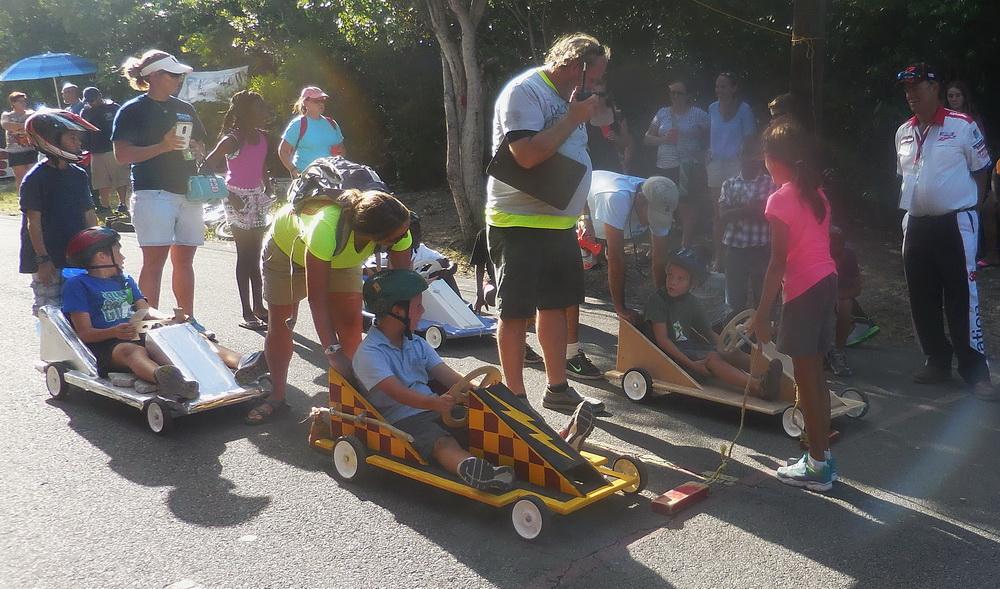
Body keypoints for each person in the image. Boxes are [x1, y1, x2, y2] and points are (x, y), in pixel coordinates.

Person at [353, 269, 595, 489]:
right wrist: (435, 403)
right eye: (418, 306)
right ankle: (473, 469)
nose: (423, 311)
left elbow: (447, 376)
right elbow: (397, 393)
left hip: (436, 408)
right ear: (397, 311)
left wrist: (481, 394)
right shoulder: (369, 353)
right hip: (403, 422)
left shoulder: (415, 342)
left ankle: (561, 445)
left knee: (493, 422)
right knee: (441, 443)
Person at [485, 32, 609, 412]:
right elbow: (525, 156)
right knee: (515, 310)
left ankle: (558, 388)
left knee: (555, 306)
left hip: (559, 222)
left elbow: (576, 153)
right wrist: (573, 117)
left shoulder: (575, 99)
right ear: (576, 66)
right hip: (517, 220)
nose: (598, 85)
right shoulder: (525, 91)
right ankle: (514, 398)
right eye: (595, 76)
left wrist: (583, 214)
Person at [251, 186, 413, 424]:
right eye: (396, 237)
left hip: (341, 256)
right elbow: (318, 300)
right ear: (373, 234)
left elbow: (404, 287)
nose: (403, 239)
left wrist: (403, 335)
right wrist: (332, 351)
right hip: (288, 251)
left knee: (350, 324)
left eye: (404, 234)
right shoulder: (326, 228)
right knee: (283, 323)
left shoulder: (398, 230)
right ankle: (277, 395)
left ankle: (354, 398)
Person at [61, 227, 268, 399]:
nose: (123, 256)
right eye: (118, 251)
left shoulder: (124, 280)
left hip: (137, 333)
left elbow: (145, 310)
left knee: (194, 338)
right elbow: (85, 333)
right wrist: (114, 331)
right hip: (108, 344)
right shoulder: (78, 285)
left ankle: (244, 363)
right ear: (101, 256)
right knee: (132, 351)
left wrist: (169, 319)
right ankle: (168, 380)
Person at [893, 63, 994, 401]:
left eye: (917, 88)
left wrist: (972, 209)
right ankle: (936, 359)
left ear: (935, 89)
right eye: (907, 90)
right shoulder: (902, 133)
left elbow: (982, 172)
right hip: (917, 223)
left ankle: (975, 370)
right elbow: (905, 177)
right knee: (920, 294)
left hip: (956, 222)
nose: (911, 95)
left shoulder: (963, 126)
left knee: (961, 296)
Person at [751, 120, 838, 491]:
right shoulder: (816, 193)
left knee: (806, 380)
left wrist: (760, 314)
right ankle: (821, 457)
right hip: (826, 283)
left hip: (804, 292)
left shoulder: (780, 198)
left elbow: (777, 262)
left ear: (772, 159)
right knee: (815, 378)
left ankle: (818, 465)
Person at [112, 50, 208, 323]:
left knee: (185, 260)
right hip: (152, 192)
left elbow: (201, 144)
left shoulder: (185, 108)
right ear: (153, 76)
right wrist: (163, 146)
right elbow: (123, 155)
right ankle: (146, 322)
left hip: (189, 191)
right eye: (173, 74)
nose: (179, 79)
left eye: (179, 74)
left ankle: (187, 318)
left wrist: (196, 148)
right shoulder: (132, 110)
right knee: (154, 263)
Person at [645, 249, 782, 399]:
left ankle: (769, 374)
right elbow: (662, 341)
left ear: (692, 284)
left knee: (728, 352)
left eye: (680, 278)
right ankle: (758, 387)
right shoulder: (658, 301)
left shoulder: (692, 302)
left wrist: (726, 347)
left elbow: (708, 332)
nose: (672, 282)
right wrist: (693, 365)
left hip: (689, 348)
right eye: (670, 275)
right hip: (668, 357)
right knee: (712, 358)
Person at [202, 90, 273, 332]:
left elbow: (261, 164)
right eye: (260, 107)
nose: (264, 112)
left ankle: (259, 307)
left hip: (257, 196)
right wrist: (229, 195)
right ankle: (247, 311)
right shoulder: (232, 140)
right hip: (236, 197)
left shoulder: (262, 137)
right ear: (247, 112)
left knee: (257, 255)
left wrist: (269, 186)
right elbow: (206, 166)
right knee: (245, 256)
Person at [18, 110, 100, 316]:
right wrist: (43, 260)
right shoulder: (35, 178)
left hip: (76, 255)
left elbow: (88, 213)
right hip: (48, 258)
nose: (78, 142)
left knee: (82, 310)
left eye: (78, 138)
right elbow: (33, 223)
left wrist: (99, 246)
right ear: (50, 140)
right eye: (72, 138)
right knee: (51, 313)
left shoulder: (79, 175)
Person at [585, 171, 678, 324]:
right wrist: (621, 308)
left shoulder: (661, 196)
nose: (652, 223)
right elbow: (616, 258)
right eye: (652, 217)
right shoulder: (616, 197)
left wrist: (665, 304)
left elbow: (660, 259)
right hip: (576, 205)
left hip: (606, 218)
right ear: (641, 200)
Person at [643, 80, 709, 247]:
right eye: (672, 93)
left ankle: (684, 247)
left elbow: (711, 136)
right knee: (661, 204)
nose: (675, 96)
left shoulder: (698, 114)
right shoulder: (662, 113)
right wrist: (664, 139)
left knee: (686, 207)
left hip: (688, 166)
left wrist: (702, 154)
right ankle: (660, 245)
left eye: (679, 93)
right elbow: (647, 138)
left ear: (687, 96)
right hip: (664, 165)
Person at [717, 135, 776, 311]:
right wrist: (750, 209)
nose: (748, 159)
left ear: (760, 158)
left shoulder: (770, 183)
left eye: (753, 155)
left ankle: (763, 336)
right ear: (739, 156)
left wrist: (736, 210)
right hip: (734, 248)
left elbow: (769, 214)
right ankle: (737, 335)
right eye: (744, 154)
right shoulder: (729, 183)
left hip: (761, 248)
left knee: (764, 297)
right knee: (734, 301)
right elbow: (722, 216)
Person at [708, 73, 756, 225]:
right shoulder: (712, 108)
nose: (719, 90)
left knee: (735, 209)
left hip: (736, 165)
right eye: (717, 86)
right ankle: (718, 249)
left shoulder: (744, 109)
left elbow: (750, 137)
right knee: (717, 212)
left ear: (734, 88)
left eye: (723, 86)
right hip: (715, 164)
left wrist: (744, 160)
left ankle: (734, 245)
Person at [80, 87, 130, 215]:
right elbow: (83, 131)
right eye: (88, 101)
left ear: (99, 96)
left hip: (113, 148)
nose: (91, 103)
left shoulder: (113, 107)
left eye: (93, 100)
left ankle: (123, 204)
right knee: (100, 180)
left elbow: (123, 125)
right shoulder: (85, 112)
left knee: (120, 178)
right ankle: (105, 206)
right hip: (96, 150)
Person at [277, 86, 344, 176]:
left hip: (332, 178)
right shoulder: (298, 124)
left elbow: (342, 150)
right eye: (316, 101)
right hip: (307, 179)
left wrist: (340, 152)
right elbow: (283, 151)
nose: (321, 104)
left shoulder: (332, 123)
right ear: (305, 102)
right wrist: (293, 170)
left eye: (322, 100)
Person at [828, 226, 859, 377]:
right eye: (830, 243)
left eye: (837, 243)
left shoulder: (849, 257)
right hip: (817, 294)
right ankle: (817, 351)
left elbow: (857, 288)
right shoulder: (818, 253)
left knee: (845, 306)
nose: (833, 247)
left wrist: (837, 296)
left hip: (839, 294)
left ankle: (838, 351)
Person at [586, 82, 632, 173]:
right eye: (594, 94)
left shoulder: (617, 115)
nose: (597, 98)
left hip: (614, 166)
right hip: (592, 167)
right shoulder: (584, 115)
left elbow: (627, 143)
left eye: (601, 94)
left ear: (606, 96)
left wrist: (616, 138)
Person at [2, 91, 38, 193]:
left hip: (30, 149)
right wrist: (25, 125)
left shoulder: (31, 113)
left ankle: (35, 197)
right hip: (15, 151)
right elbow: (6, 125)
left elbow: (36, 125)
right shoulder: (7, 115)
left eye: (24, 101)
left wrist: (17, 127)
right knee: (20, 176)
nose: (23, 103)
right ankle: (22, 199)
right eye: (20, 101)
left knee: (34, 174)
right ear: (13, 103)